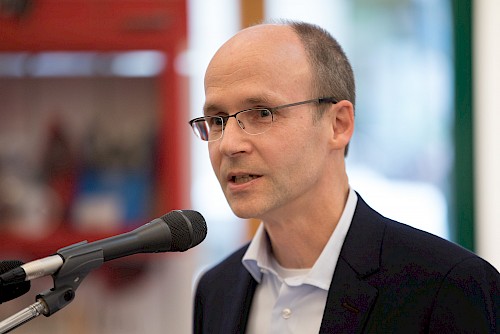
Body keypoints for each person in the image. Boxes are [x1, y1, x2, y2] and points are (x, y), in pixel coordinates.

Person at [190, 20, 499, 333]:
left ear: (338, 124)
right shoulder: (216, 291)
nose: (228, 144)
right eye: (217, 120)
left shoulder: (446, 286)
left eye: (262, 113)